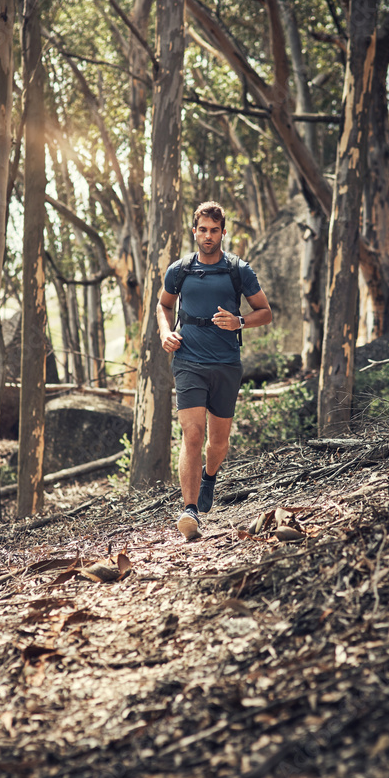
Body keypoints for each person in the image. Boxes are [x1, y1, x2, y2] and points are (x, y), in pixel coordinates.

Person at [157, 200, 272, 539]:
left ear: (223, 233)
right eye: (202, 230)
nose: (208, 236)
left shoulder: (239, 269)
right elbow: (164, 305)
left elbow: (265, 312)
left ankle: (209, 476)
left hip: (225, 364)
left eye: (214, 230)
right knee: (193, 435)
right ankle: (189, 509)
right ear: (194, 232)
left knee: (218, 443)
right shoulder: (179, 270)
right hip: (188, 360)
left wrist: (239, 321)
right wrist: (166, 333)